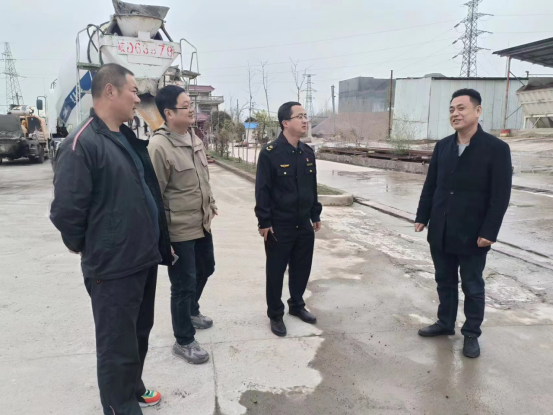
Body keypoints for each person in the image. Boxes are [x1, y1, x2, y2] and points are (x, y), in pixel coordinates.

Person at [50, 63, 173, 413]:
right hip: (113, 267)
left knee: (137, 335)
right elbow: (66, 213)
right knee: (116, 347)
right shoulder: (81, 144)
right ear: (110, 91)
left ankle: (133, 387)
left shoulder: (124, 137)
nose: (137, 99)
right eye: (133, 91)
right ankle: (121, 407)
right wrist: (92, 246)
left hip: (142, 259)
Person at [415, 88, 512, 358]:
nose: (455, 114)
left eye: (461, 108)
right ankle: (445, 323)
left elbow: (500, 196)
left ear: (477, 111)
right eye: (451, 110)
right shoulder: (443, 146)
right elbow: (431, 185)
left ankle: (471, 333)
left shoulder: (496, 149)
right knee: (444, 280)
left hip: (473, 233)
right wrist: (422, 216)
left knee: (472, 285)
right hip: (441, 229)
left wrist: (489, 231)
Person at [148, 85, 217, 364]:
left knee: (207, 268)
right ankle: (184, 340)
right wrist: (161, 239)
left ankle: (191, 310)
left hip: (201, 222)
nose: (192, 110)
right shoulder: (159, 147)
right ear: (169, 113)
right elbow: (154, 196)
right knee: (182, 285)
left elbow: (202, 178)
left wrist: (210, 204)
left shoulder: (193, 137)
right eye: (186, 106)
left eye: (192, 105)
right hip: (178, 230)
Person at [255, 101, 323, 337]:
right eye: (299, 116)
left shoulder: (307, 153)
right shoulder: (270, 153)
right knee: (275, 272)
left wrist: (315, 213)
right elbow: (262, 190)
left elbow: (312, 187)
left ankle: (297, 305)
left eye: (306, 115)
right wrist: (264, 222)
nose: (305, 120)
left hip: (303, 223)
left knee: (302, 267)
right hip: (279, 225)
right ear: (285, 123)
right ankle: (275, 314)